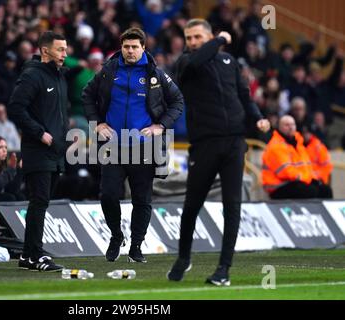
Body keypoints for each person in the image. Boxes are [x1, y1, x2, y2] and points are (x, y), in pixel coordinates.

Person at [167, 19, 270, 285]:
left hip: (234, 142)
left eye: (197, 37)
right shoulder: (186, 63)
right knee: (192, 206)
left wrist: (257, 117)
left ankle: (224, 269)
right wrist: (220, 39)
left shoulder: (229, 62)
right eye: (188, 38)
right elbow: (197, 60)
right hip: (204, 144)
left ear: (207, 35)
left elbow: (244, 95)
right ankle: (183, 257)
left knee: (232, 206)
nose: (191, 42)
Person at [82, 27, 184, 263]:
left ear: (143, 48)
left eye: (134, 47)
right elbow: (87, 95)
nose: (129, 51)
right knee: (108, 195)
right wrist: (96, 123)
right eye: (126, 47)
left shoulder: (155, 74)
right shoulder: (109, 71)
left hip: (143, 147)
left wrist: (161, 126)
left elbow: (177, 101)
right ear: (122, 47)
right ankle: (116, 236)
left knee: (142, 199)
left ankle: (136, 246)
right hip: (113, 145)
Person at [8, 31, 69, 272]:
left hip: (55, 152)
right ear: (45, 51)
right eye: (60, 49)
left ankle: (27, 256)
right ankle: (34, 255)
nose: (65, 54)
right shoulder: (32, 75)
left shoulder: (59, 77)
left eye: (65, 49)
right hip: (37, 150)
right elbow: (15, 108)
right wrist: (40, 133)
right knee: (39, 201)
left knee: (42, 202)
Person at [262, 116, 333, 199]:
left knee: (325, 190)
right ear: (279, 127)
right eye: (286, 125)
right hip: (278, 186)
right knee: (310, 190)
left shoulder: (298, 143)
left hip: (296, 181)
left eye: (293, 124)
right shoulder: (276, 146)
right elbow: (286, 172)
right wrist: (306, 178)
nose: (291, 127)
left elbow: (306, 166)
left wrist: (311, 178)